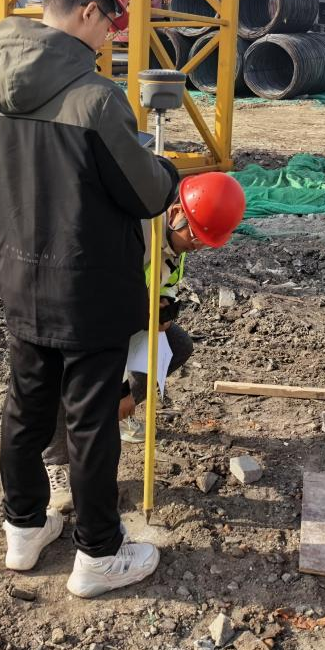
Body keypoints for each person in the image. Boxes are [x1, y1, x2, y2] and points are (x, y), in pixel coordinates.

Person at [0, 0, 179, 599]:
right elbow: (146, 195)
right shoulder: (96, 100)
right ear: (89, 10)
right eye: (113, 18)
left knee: (25, 409)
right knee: (91, 422)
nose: (112, 32)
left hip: (19, 278)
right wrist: (165, 167)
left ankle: (25, 528)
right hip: (88, 288)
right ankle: (99, 554)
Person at [43, 173, 247, 513]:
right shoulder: (134, 235)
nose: (197, 245)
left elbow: (166, 279)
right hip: (75, 317)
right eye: (195, 236)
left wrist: (165, 307)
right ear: (176, 212)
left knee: (178, 346)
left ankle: (108, 415)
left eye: (205, 241)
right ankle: (57, 464)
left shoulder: (176, 237)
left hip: (124, 311)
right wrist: (119, 388)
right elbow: (101, 320)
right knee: (62, 376)